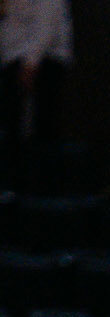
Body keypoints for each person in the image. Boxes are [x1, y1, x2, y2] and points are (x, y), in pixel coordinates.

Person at [1, 0, 71, 187]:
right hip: (13, 56)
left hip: (44, 57)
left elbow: (47, 22)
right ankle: (16, 183)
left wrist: (32, 61)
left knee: (43, 122)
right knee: (12, 123)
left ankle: (43, 184)